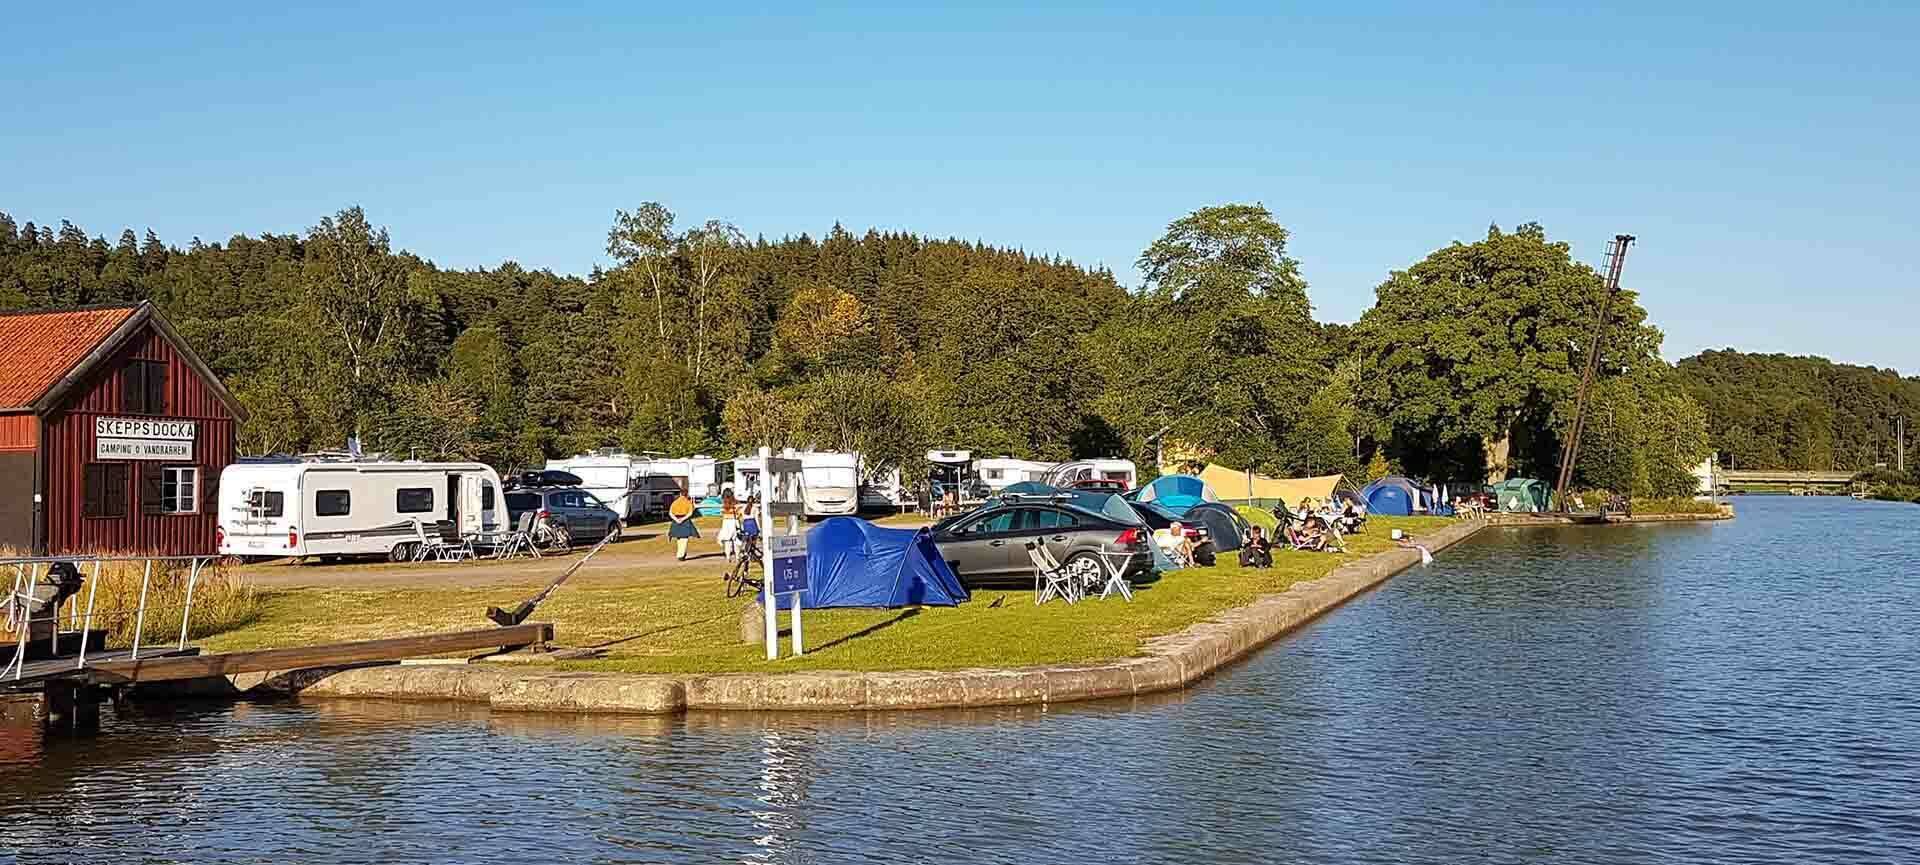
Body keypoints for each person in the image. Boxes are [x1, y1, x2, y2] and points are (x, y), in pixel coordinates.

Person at [668, 490, 699, 560]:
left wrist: (676, 520)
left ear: (680, 494)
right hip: (685, 521)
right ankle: (681, 555)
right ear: (686, 494)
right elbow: (690, 513)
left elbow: (670, 513)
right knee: (684, 538)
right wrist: (682, 519)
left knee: (679, 538)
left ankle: (681, 553)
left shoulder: (675, 502)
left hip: (676, 520)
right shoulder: (688, 502)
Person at [716, 489, 741, 562]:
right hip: (734, 521)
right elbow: (739, 514)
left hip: (726, 522)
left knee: (727, 541)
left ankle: (728, 556)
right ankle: (737, 557)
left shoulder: (723, 504)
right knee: (736, 540)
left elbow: (721, 513)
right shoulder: (735, 503)